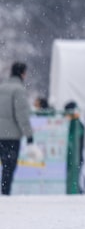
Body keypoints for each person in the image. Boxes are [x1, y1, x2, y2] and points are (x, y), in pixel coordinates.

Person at [0, 62, 34, 195]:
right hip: (11, 135)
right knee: (9, 166)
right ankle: (5, 193)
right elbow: (22, 115)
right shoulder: (18, 90)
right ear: (22, 73)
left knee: (4, 164)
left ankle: (3, 192)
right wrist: (29, 135)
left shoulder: (2, 87)